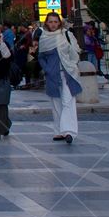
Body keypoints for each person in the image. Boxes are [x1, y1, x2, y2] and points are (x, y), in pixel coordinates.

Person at [36, 12, 81, 143]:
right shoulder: (44, 38)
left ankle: (69, 132)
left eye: (56, 21)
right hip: (53, 74)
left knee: (68, 102)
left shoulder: (66, 35)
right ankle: (59, 131)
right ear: (46, 23)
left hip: (68, 73)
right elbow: (41, 57)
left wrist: (72, 65)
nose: (53, 24)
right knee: (56, 103)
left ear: (59, 22)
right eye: (50, 21)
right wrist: (47, 69)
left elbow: (75, 52)